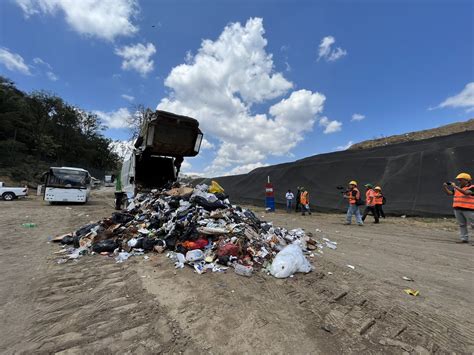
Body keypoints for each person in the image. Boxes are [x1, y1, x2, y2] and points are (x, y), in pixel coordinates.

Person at [443, 173, 474, 244]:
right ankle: (464, 239)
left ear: (467, 180)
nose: (459, 181)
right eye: (458, 180)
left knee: (473, 225)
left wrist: (455, 186)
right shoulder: (457, 188)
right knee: (462, 224)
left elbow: (466, 193)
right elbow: (449, 193)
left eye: (460, 180)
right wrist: (445, 187)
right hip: (457, 209)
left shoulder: (472, 187)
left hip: (469, 210)